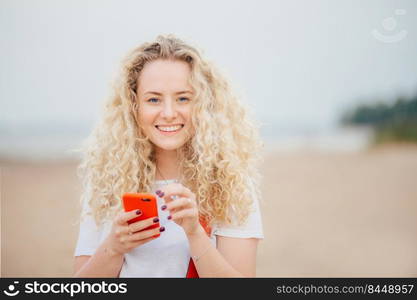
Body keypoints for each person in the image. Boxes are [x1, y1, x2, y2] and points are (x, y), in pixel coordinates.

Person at [73, 34, 264, 278]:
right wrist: (113, 247)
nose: (169, 113)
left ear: (204, 105)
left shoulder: (231, 184)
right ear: (134, 106)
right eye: (153, 99)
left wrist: (196, 234)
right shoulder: (106, 181)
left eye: (183, 98)